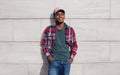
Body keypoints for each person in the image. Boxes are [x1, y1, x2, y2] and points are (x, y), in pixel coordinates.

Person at [41, 7, 78, 75]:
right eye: (58, 14)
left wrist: (71, 58)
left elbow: (74, 45)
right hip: (54, 61)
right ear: (55, 17)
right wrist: (48, 56)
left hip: (66, 62)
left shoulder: (70, 30)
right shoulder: (49, 29)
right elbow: (44, 44)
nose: (60, 16)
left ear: (64, 16)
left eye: (62, 14)